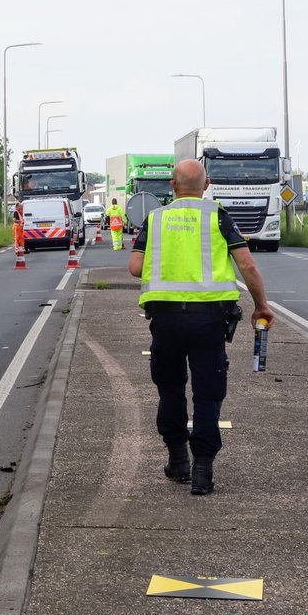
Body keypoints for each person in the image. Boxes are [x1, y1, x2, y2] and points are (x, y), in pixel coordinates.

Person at [128, 159, 273, 496]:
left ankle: (177, 460)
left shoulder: (155, 219)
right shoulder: (217, 215)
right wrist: (261, 306)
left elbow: (135, 268)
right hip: (209, 320)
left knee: (170, 388)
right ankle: (203, 470)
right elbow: (247, 265)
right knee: (207, 394)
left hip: (165, 321)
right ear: (206, 185)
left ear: (172, 186)